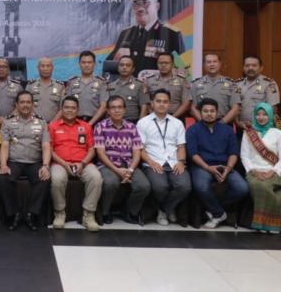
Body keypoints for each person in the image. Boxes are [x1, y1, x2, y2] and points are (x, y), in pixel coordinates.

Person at [186, 98, 248, 229]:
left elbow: (233, 153)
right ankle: (219, 213)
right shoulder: (192, 130)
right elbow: (193, 154)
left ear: (217, 112)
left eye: (212, 111)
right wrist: (208, 168)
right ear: (200, 113)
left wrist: (228, 169)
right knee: (201, 186)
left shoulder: (227, 130)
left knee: (242, 188)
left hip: (224, 166)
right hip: (202, 166)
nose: (209, 114)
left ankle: (216, 210)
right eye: (205, 111)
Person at [0, 91, 52, 231]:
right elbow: (4, 145)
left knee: (44, 179)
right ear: (16, 104)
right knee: (2, 178)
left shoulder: (41, 122)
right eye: (22, 102)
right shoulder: (8, 122)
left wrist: (45, 166)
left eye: (28, 102)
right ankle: (14, 213)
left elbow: (46, 146)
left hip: (35, 162)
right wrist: (3, 165)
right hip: (14, 162)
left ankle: (31, 214)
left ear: (33, 104)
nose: (25, 105)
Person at [109, 0, 185, 76]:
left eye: (145, 3)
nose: (140, 8)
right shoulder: (125, 34)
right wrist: (116, 58)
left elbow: (184, 69)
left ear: (157, 6)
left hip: (158, 89)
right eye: (136, 3)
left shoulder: (171, 34)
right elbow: (108, 68)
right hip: (129, 88)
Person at [49, 96, 102, 231]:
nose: (69, 110)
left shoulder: (86, 127)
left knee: (96, 177)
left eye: (73, 108)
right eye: (66, 107)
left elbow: (91, 149)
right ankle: (59, 212)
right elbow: (49, 150)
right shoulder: (53, 126)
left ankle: (88, 215)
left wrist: (83, 163)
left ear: (78, 110)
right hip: (60, 163)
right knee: (56, 179)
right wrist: (64, 163)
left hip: (82, 163)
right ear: (62, 109)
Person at [137, 89, 190, 225]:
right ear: (152, 103)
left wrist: (181, 162)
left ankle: (164, 210)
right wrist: (151, 162)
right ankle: (169, 209)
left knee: (185, 186)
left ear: (169, 104)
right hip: (152, 162)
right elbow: (140, 149)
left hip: (173, 162)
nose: (162, 104)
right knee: (160, 187)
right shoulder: (143, 123)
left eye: (165, 102)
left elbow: (181, 147)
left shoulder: (177, 123)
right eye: (158, 101)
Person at [94, 95, 150, 225]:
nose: (116, 110)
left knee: (144, 186)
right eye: (113, 108)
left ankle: (129, 211)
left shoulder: (132, 127)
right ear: (108, 111)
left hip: (129, 164)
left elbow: (137, 152)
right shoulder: (100, 126)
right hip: (107, 165)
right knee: (111, 183)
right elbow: (101, 154)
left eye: (119, 107)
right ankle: (105, 212)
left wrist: (130, 170)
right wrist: (117, 171)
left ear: (124, 110)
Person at [241, 102, 281, 234]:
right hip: (254, 171)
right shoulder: (249, 133)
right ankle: (261, 223)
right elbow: (244, 156)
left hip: (274, 171)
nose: (261, 117)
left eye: (265, 114)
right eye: (258, 114)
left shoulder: (278, 133)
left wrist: (272, 171)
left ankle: (271, 224)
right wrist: (253, 170)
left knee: (266, 186)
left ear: (271, 116)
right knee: (260, 185)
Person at [190, 53, 240, 125]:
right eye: (209, 62)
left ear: (220, 64)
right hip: (202, 124)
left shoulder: (231, 84)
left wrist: (222, 123)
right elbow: (192, 108)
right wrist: (203, 122)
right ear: (204, 65)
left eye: (214, 61)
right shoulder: (195, 84)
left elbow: (235, 108)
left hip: (225, 123)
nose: (212, 64)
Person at [235, 55, 280, 129]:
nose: (250, 68)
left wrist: (259, 123)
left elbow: (273, 108)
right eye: (247, 65)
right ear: (243, 68)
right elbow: (234, 107)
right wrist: (238, 123)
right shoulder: (237, 84)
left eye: (254, 65)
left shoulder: (269, 84)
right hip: (241, 127)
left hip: (262, 128)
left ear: (261, 68)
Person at [141, 52, 191, 119]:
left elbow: (186, 103)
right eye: (160, 63)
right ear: (157, 64)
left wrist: (172, 118)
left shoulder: (182, 80)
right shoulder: (149, 80)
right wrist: (154, 116)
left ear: (172, 64)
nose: (163, 65)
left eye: (166, 63)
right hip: (153, 117)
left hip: (176, 117)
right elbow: (146, 101)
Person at [64, 50, 108, 126]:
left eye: (89, 62)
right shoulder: (71, 82)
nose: (86, 65)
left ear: (94, 64)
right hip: (74, 123)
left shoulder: (102, 83)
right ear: (79, 64)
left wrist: (90, 124)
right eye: (83, 62)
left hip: (96, 123)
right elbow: (66, 106)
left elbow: (104, 107)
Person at [26, 57, 65, 123]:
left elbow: (63, 108)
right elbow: (26, 106)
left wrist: (52, 124)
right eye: (42, 66)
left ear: (52, 68)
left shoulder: (60, 86)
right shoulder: (30, 86)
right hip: (34, 124)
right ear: (38, 68)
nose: (45, 68)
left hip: (54, 126)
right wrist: (37, 122)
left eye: (48, 66)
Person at [108, 55, 147, 122]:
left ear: (133, 69)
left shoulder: (140, 85)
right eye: (122, 65)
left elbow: (144, 107)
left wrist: (140, 124)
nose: (124, 67)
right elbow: (107, 107)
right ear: (118, 68)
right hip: (113, 122)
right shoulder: (110, 86)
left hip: (132, 121)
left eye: (128, 65)